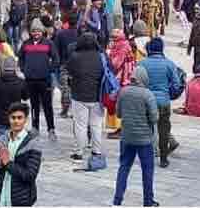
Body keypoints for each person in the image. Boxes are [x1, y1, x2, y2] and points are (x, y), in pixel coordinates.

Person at [113, 65, 158, 206]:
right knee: (147, 170)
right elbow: (154, 118)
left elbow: (118, 114)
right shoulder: (147, 94)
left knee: (124, 167)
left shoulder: (123, 92)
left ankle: (117, 200)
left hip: (126, 137)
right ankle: (148, 201)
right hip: (144, 139)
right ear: (144, 79)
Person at [0, 102, 42, 207]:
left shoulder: (33, 144)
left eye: (19, 118)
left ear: (25, 119)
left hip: (21, 199)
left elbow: (30, 175)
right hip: (2, 196)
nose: (16, 121)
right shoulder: (2, 141)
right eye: (13, 118)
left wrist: (8, 163)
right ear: (9, 119)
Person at [138, 37, 180, 169]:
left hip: (147, 100)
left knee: (147, 130)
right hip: (163, 101)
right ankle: (163, 159)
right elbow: (177, 84)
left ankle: (147, 157)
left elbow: (136, 81)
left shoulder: (142, 64)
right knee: (163, 130)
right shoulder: (169, 64)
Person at [66, 31, 105, 167]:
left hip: (79, 95)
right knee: (96, 125)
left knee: (80, 125)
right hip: (97, 95)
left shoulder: (75, 56)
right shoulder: (101, 56)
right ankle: (97, 151)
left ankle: (79, 152)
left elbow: (69, 71)